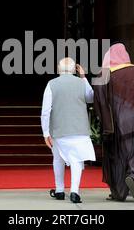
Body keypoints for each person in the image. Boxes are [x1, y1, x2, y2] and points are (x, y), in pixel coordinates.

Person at [93, 43, 134, 201]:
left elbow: (99, 98)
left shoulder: (104, 73)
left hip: (116, 122)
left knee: (116, 155)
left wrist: (104, 121)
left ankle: (119, 192)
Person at [41, 57, 96, 204]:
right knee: (77, 160)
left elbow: (45, 111)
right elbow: (91, 98)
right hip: (80, 129)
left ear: (59, 69)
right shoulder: (80, 83)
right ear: (73, 70)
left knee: (58, 159)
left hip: (58, 130)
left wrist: (45, 132)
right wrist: (83, 77)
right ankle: (74, 191)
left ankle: (59, 190)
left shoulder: (51, 84)